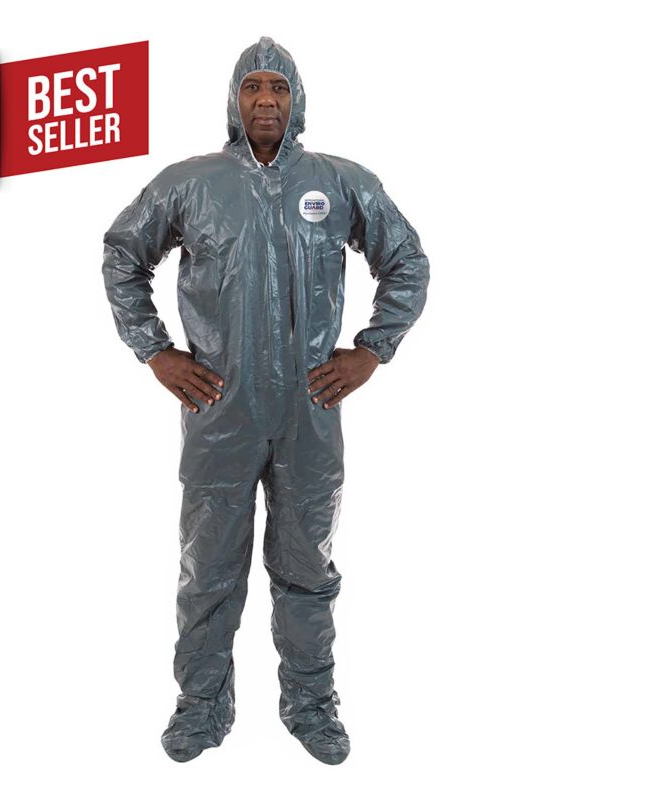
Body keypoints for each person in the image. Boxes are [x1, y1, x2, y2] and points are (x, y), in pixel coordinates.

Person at [102, 36, 430, 765]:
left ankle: (311, 706)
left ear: (297, 100)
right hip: (219, 411)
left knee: (308, 568)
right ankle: (200, 707)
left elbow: (406, 259)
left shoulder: (340, 183)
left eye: (278, 88)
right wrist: (154, 350)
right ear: (233, 101)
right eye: (253, 88)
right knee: (208, 570)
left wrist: (372, 349)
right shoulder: (190, 184)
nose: (266, 101)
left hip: (311, 411)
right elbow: (123, 254)